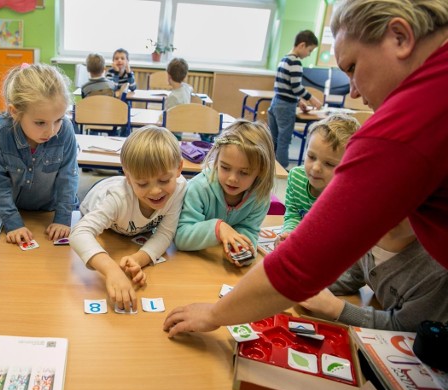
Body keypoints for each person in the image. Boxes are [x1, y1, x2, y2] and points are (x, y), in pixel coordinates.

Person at [163, 0, 448, 338]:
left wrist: (215, 314)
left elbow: (299, 267)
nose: (353, 90)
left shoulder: (405, 124)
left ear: (400, 37)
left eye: (353, 67)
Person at [70, 126, 186, 311]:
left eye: (164, 181)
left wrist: (138, 259)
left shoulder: (179, 188)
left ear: (179, 168)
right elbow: (79, 233)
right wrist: (111, 270)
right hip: (99, 196)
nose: (156, 191)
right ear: (128, 176)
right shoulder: (118, 199)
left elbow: (165, 233)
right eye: (142, 183)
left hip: (132, 226)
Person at [0, 63, 78, 245]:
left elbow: (68, 178)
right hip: (12, 212)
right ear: (15, 112)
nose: (51, 131)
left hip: (50, 214)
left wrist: (63, 218)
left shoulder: (65, 130)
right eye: (40, 123)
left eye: (57, 120)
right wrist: (13, 223)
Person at [300, 219, 448, 332]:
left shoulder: (437, 268)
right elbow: (354, 276)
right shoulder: (366, 233)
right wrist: (308, 286)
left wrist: (336, 308)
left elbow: (404, 327)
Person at [174, 120, 275, 265]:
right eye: (225, 168)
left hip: (218, 267)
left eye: (244, 172)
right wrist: (218, 228)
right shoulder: (199, 188)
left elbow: (249, 230)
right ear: (216, 161)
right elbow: (181, 237)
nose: (232, 179)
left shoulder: (260, 197)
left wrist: (241, 251)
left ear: (261, 171)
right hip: (190, 262)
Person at [275, 114, 359, 245]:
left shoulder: (347, 195)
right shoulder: (296, 177)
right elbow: (293, 212)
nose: (315, 168)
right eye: (311, 157)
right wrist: (289, 233)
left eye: (329, 164)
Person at [268, 29, 323, 168]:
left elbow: (284, 86)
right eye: (309, 51)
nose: (309, 54)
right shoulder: (296, 63)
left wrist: (299, 101)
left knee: (273, 139)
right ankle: (282, 170)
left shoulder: (284, 59)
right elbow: (296, 87)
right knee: (284, 140)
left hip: (276, 102)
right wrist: (312, 99)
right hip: (286, 106)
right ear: (302, 45)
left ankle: (270, 166)